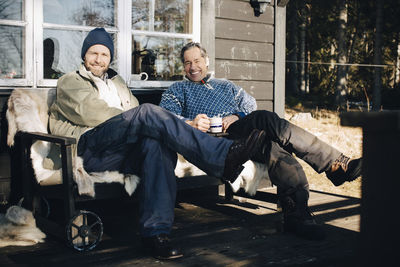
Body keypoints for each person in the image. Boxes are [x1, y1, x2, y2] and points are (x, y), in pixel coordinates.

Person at [48, 28, 266, 260]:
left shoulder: (117, 82)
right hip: (87, 148)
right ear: (84, 56)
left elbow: (132, 114)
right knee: (147, 113)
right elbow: (92, 113)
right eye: (94, 53)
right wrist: (134, 118)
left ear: (110, 58)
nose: (99, 59)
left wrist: (135, 119)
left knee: (156, 145)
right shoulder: (70, 81)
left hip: (119, 151)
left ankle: (156, 235)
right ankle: (221, 157)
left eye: (104, 54)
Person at [159, 42, 363, 241]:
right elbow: (165, 117)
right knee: (270, 132)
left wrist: (237, 115)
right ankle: (333, 168)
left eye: (197, 60)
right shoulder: (177, 90)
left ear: (206, 61)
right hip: (210, 140)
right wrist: (191, 123)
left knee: (270, 132)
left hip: (239, 130)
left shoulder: (225, 85)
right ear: (183, 66)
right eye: (187, 63)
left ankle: (299, 213)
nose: (193, 67)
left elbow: (249, 103)